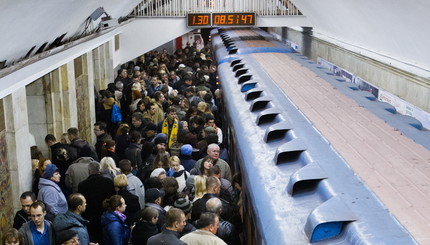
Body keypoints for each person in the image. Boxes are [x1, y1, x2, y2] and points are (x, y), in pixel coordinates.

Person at [78, 162, 115, 244]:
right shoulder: (108, 182)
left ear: (89, 171)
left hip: (89, 217)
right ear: (100, 170)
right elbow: (112, 199)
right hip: (105, 216)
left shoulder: (82, 185)